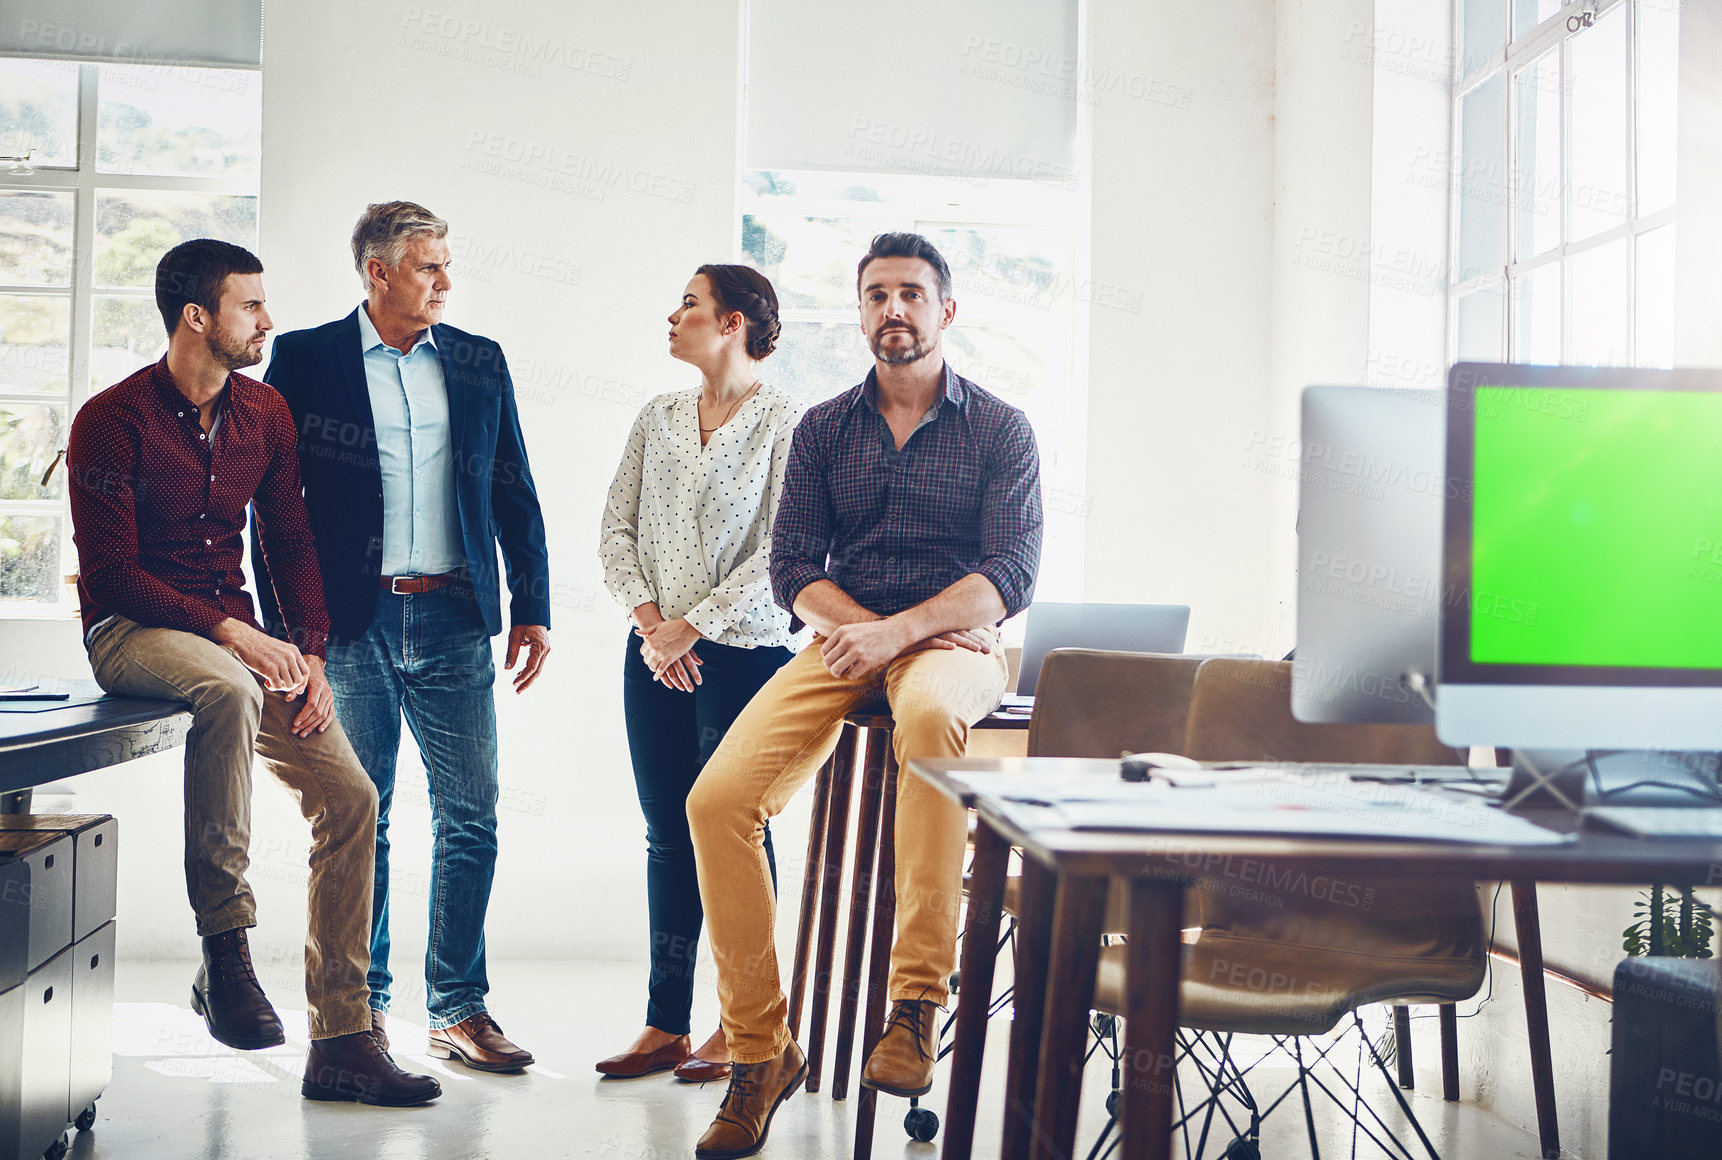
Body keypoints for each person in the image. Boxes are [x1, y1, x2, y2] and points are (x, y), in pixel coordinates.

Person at [686, 233, 1043, 1158]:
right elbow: (793, 568)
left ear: (946, 311)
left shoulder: (1002, 429)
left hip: (954, 648)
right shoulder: (825, 429)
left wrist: (903, 631)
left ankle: (915, 1003)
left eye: (913, 295)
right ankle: (761, 1053)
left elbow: (1010, 570)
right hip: (846, 639)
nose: (895, 309)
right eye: (878, 294)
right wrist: (864, 631)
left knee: (926, 715)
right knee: (717, 801)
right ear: (859, 313)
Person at [66, 239, 440, 1106]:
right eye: (251, 306)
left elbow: (290, 540)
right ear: (197, 316)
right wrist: (238, 634)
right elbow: (114, 573)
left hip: (239, 644)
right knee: (228, 685)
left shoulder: (264, 413)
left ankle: (344, 1040)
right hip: (134, 630)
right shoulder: (110, 420)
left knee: (352, 798)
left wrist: (309, 651)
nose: (268, 321)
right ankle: (225, 945)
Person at [256, 201, 552, 1073]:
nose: (446, 282)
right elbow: (271, 507)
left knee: (471, 817)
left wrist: (531, 603)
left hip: (457, 616)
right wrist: (290, 632)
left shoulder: (475, 359)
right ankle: (365, 1011)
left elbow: (514, 487)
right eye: (429, 267)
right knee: (364, 816)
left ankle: (458, 1009)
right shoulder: (306, 359)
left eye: (446, 264)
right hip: (351, 623)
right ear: (378, 272)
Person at [596, 265, 802, 1084]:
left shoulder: (791, 423)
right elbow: (615, 529)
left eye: (690, 302)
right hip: (652, 652)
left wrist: (693, 628)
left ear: (736, 322)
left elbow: (783, 551)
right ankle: (664, 1023)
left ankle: (744, 1027)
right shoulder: (659, 417)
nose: (673, 313)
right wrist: (654, 628)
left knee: (736, 832)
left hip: (744, 656)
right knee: (666, 835)